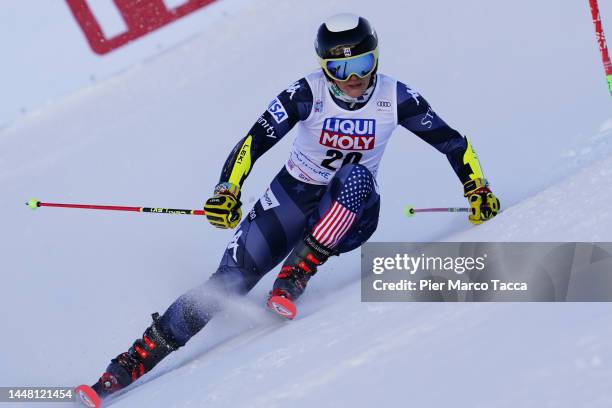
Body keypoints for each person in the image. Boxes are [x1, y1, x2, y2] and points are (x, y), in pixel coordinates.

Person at [81, 13, 500, 403]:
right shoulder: (304, 94)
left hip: (353, 210)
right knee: (225, 285)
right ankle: (131, 362)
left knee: (354, 177)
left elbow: (452, 141)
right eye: (341, 70)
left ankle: (297, 271)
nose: (355, 80)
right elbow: (253, 142)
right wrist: (227, 190)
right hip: (292, 196)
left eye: (363, 64)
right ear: (324, 69)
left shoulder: (395, 96)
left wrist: (476, 189)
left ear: (378, 58)